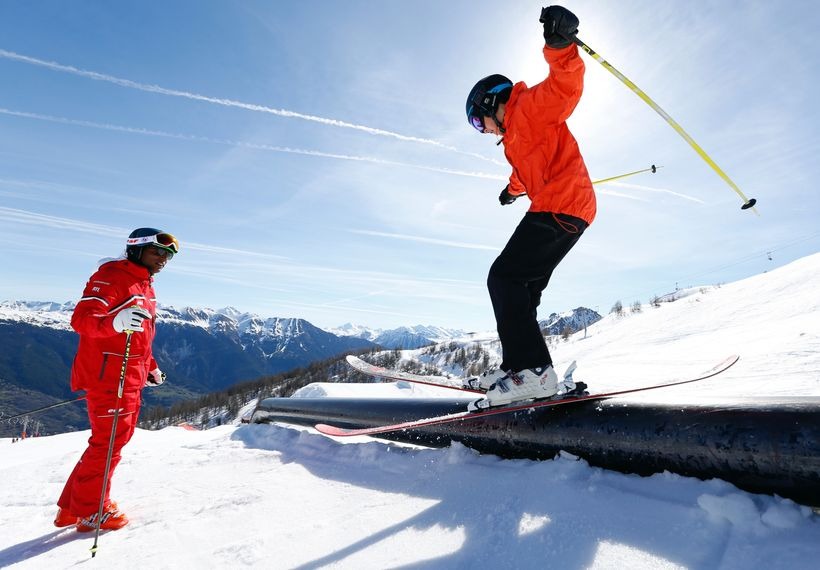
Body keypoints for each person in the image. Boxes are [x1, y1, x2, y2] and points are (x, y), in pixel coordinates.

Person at [464, 6, 595, 410]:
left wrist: (560, 45)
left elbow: (565, 88)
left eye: (476, 121)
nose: (481, 130)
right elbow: (525, 171)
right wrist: (511, 190)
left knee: (503, 277)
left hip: (562, 205)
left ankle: (535, 373)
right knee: (521, 290)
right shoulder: (514, 139)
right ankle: (519, 369)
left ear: (489, 104)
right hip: (561, 206)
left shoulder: (528, 108)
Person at [54, 228, 179, 532]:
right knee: (108, 444)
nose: (163, 259)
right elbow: (81, 320)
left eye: (168, 255)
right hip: (109, 376)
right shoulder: (112, 276)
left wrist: (150, 365)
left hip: (129, 374)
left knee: (110, 442)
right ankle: (91, 512)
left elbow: (138, 337)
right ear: (136, 249)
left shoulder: (143, 283)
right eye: (157, 252)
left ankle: (73, 509)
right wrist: (113, 321)